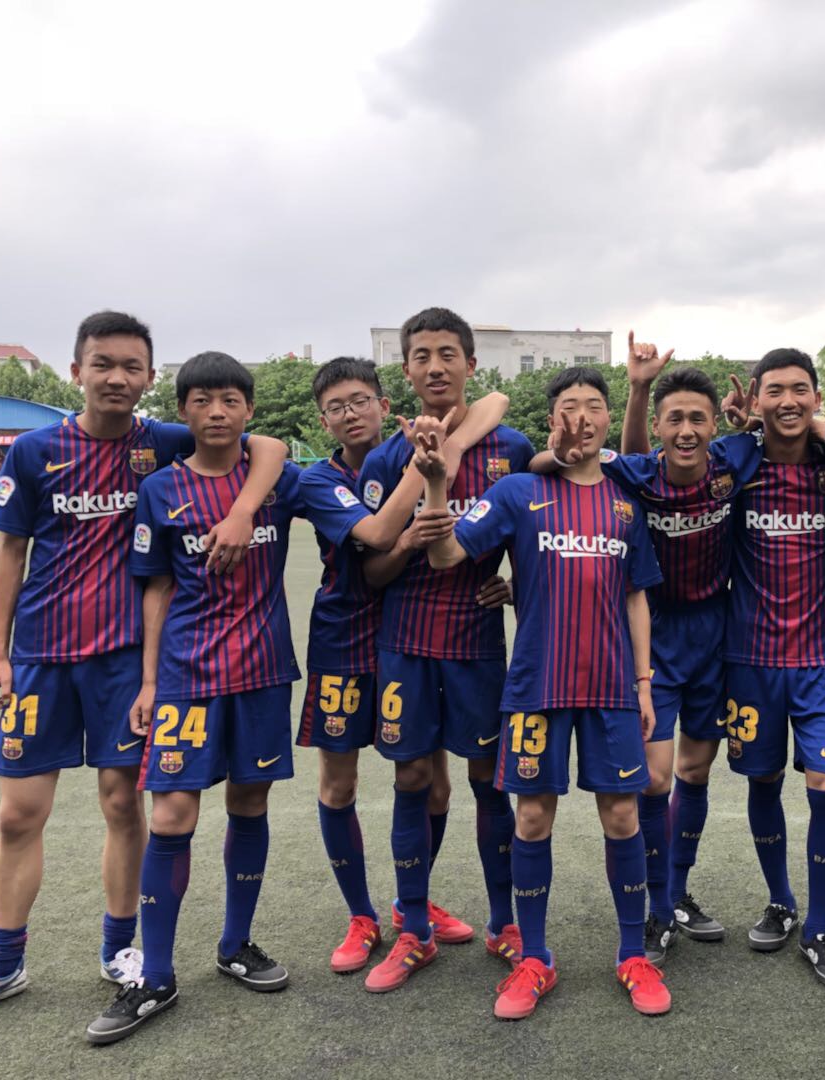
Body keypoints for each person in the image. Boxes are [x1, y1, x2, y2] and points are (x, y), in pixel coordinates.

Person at [0, 313, 286, 1028]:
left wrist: (245, 509)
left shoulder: (167, 441)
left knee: (124, 807)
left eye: (131, 366)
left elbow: (266, 445)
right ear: (76, 372)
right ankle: (1, 963)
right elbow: (10, 555)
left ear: (149, 378)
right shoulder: (34, 450)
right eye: (103, 364)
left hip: (126, 663)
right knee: (18, 814)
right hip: (41, 659)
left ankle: (121, 950)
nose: (116, 377)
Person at [420, 366, 670, 1019]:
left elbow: (637, 596)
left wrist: (644, 683)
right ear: (552, 417)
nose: (581, 416)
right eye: (569, 405)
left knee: (623, 817)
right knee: (531, 819)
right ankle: (534, 958)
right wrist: (438, 481)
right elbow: (445, 556)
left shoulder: (625, 502)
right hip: (537, 686)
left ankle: (632, 954)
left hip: (612, 689)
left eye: (593, 405)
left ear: (608, 419)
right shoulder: (517, 491)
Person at [86, 351, 303, 1043]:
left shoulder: (276, 479)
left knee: (250, 803)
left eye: (230, 400)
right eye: (203, 400)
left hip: (263, 674)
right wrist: (151, 681)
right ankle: (154, 974)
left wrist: (245, 508)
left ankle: (236, 945)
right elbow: (156, 586)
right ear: (182, 411)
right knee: (173, 814)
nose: (216, 412)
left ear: (248, 409)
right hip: (186, 677)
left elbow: (278, 450)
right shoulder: (161, 488)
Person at [529, 337, 763, 963]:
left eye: (698, 419)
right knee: (655, 778)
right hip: (653, 637)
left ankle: (678, 893)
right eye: (674, 418)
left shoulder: (734, 459)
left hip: (717, 636)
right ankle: (657, 906)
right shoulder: (633, 472)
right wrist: (634, 390)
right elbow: (551, 462)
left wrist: (757, 420)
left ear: (714, 425)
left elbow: (791, 434)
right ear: (657, 426)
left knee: (695, 771)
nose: (686, 431)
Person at [296, 354, 509, 978]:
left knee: (431, 783)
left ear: (385, 405)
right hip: (345, 640)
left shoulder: (417, 445)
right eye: (336, 407)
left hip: (414, 639)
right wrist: (434, 461)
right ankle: (362, 915)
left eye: (360, 401)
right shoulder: (325, 477)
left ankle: (409, 905)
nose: (350, 414)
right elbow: (381, 535)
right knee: (339, 784)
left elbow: (492, 401)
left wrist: (451, 441)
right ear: (323, 420)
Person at [346, 309, 529, 991]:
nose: (435, 366)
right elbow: (371, 573)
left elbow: (536, 536)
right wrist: (406, 544)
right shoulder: (386, 458)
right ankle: (415, 930)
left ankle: (505, 923)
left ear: (470, 365)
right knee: (411, 779)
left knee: (489, 780)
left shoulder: (511, 447)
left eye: (448, 353)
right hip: (407, 646)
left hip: (478, 644)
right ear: (406, 370)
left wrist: (514, 584)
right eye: (421, 355)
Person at [718, 349, 825, 989]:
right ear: (756, 399)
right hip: (751, 660)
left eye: (800, 389)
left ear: (816, 397)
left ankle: (819, 926)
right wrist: (739, 428)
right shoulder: (735, 463)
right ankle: (781, 901)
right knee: (763, 781)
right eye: (775, 390)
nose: (789, 401)